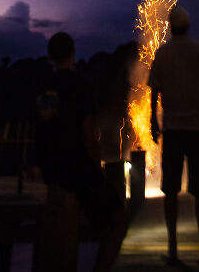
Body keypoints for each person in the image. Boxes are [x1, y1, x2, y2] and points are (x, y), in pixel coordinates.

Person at [35, 31, 126, 272]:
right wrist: (96, 170)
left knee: (61, 241)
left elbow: (41, 130)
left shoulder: (44, 88)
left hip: (52, 170)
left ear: (50, 56)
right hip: (77, 169)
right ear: (73, 53)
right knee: (118, 220)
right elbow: (88, 132)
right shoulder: (79, 84)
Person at [148, 6, 199, 266]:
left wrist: (152, 121)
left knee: (170, 190)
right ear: (188, 26)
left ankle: (173, 250)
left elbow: (154, 91)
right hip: (198, 129)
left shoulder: (163, 53)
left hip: (173, 130)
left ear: (169, 26)